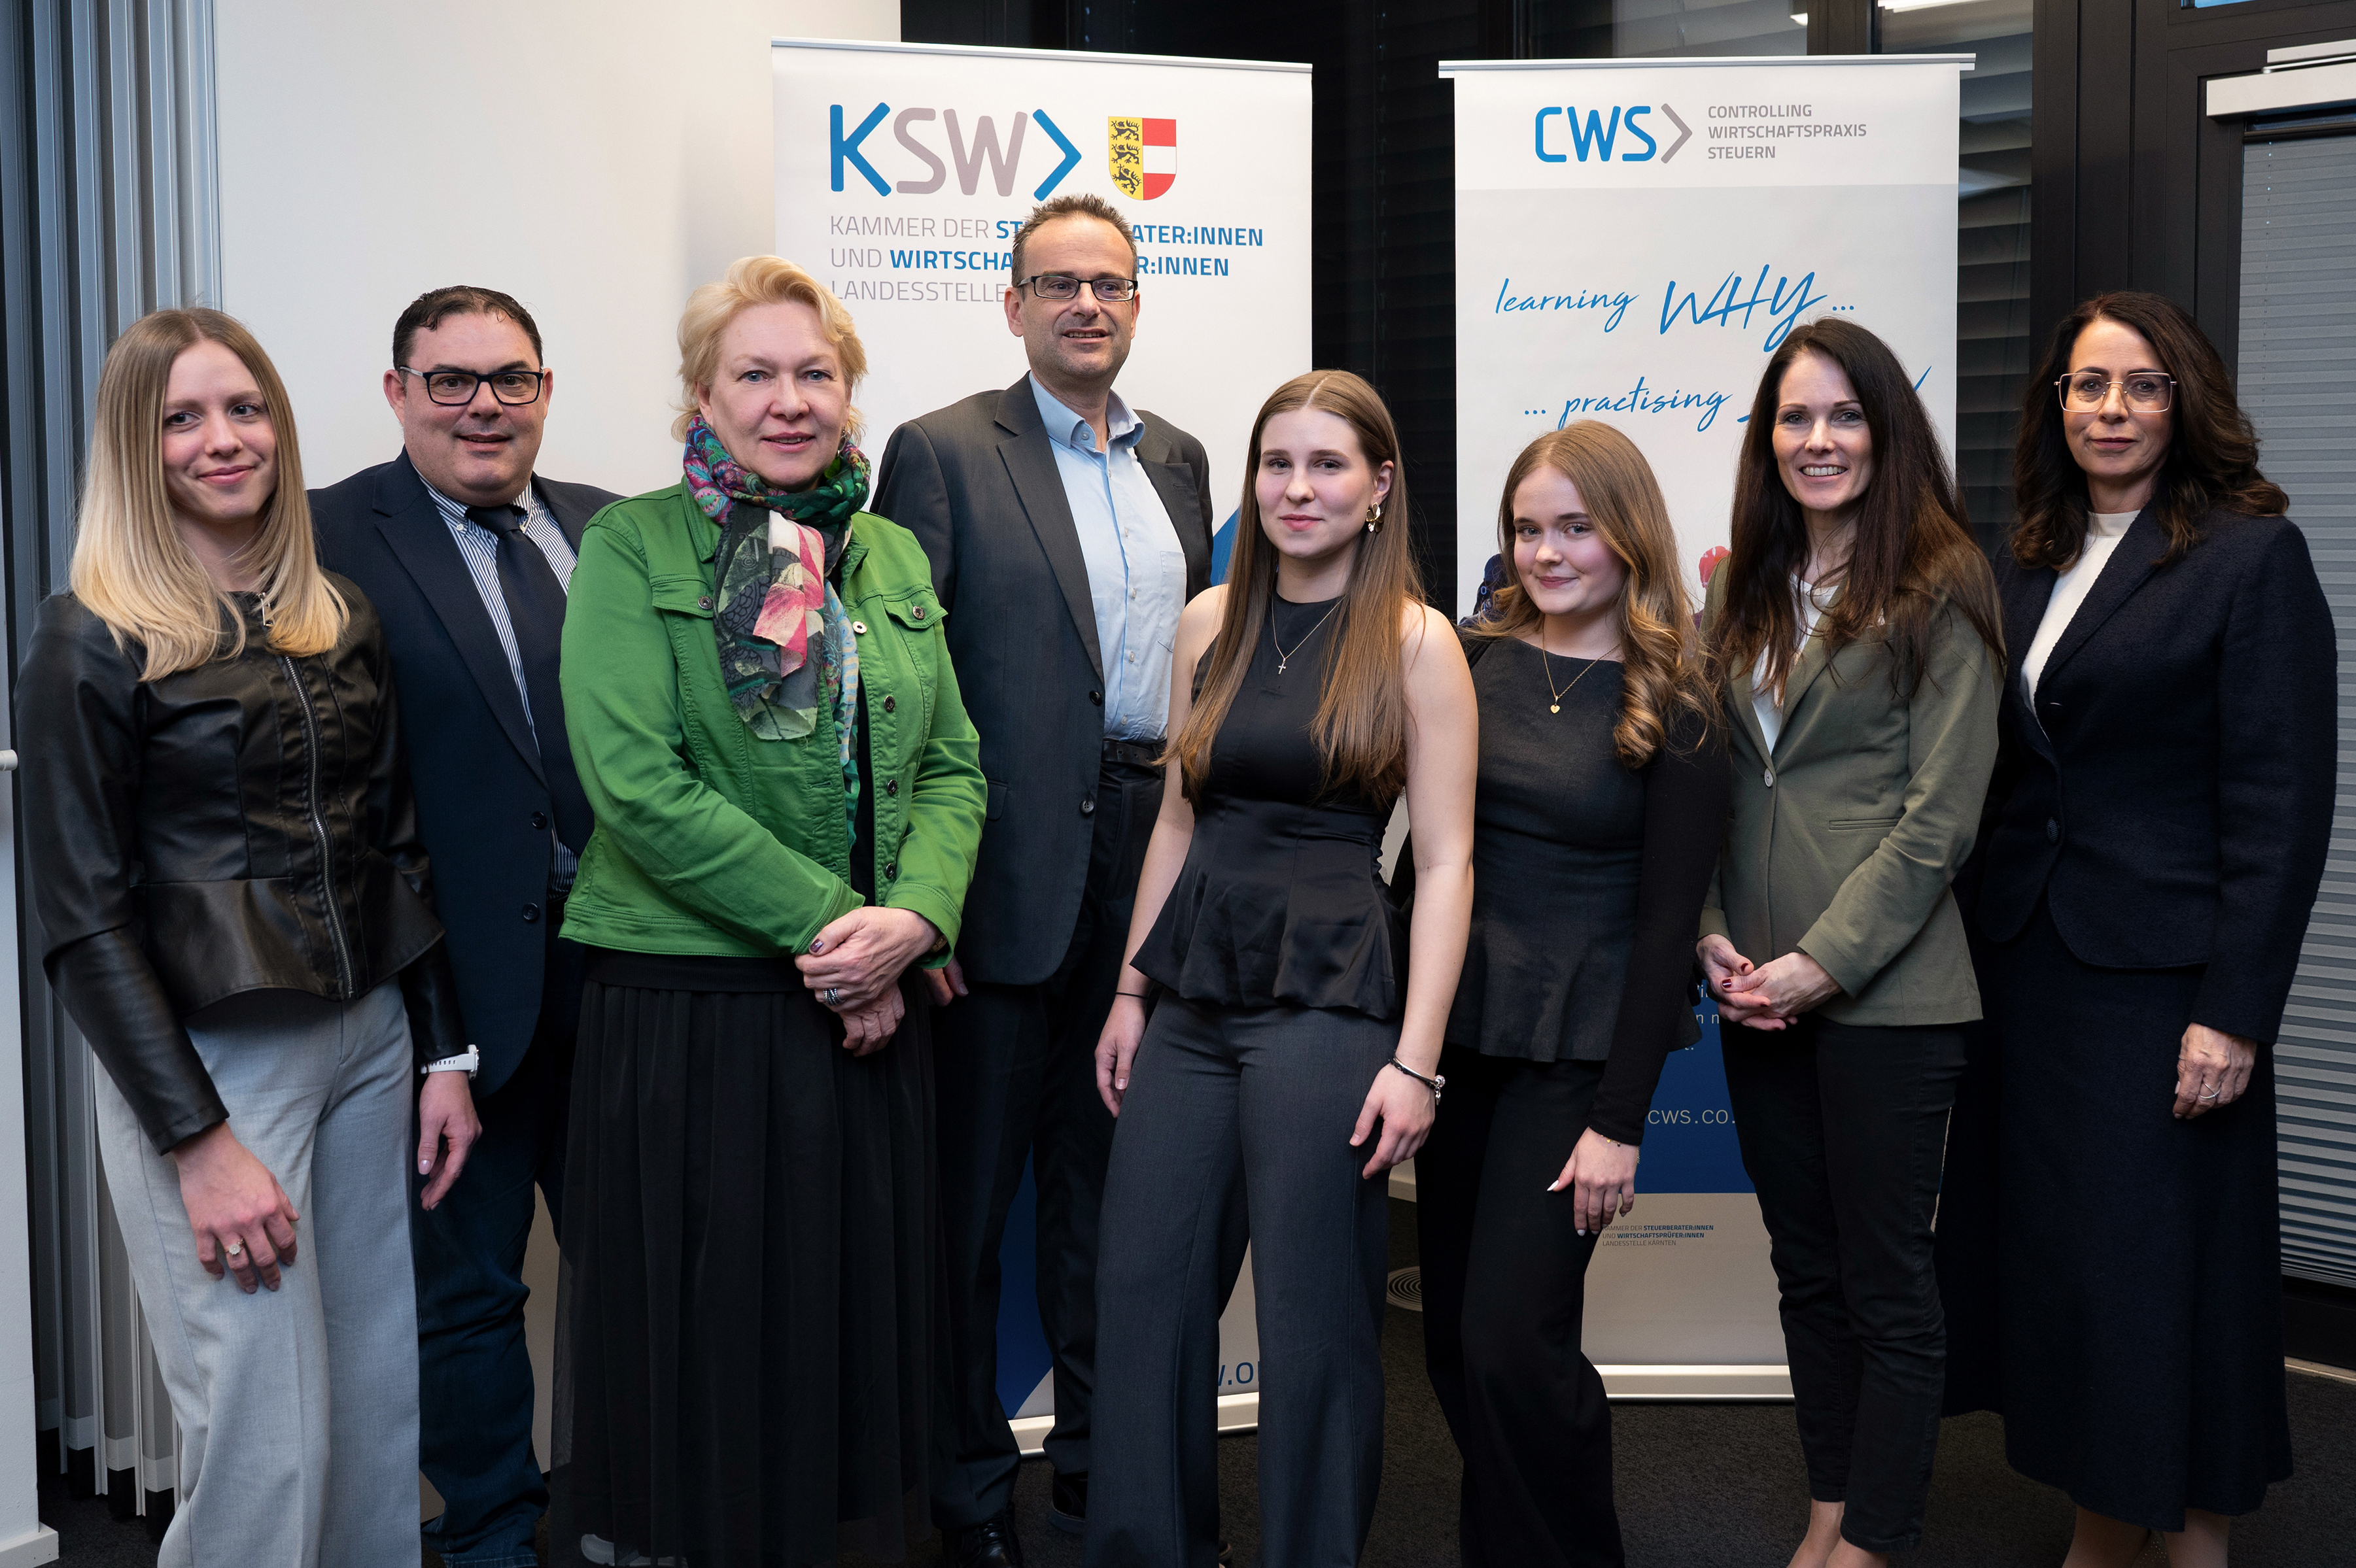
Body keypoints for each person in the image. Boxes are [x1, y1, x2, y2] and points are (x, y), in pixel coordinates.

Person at [18, 307, 478, 1561]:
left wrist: (443, 1053)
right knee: (269, 1445)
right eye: (182, 418)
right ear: (138, 444)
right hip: (215, 1069)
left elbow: (393, 843)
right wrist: (196, 1139)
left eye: (245, 408)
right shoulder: (87, 635)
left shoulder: (334, 612)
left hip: (370, 1043)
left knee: (374, 1423)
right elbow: (81, 920)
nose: (223, 439)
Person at [549, 256, 986, 1565]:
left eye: (814, 372)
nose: (787, 400)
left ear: (848, 392)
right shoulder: (634, 544)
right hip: (698, 1010)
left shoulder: (887, 549)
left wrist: (918, 919)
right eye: (754, 373)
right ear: (703, 395)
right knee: (707, 1338)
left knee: (840, 1339)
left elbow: (953, 766)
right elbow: (636, 785)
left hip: (870, 999)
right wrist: (848, 934)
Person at [871, 192, 1217, 1567]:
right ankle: (966, 1506)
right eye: (1059, 283)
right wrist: (922, 900)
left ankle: (1096, 1490)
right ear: (1011, 304)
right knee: (963, 1221)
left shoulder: (1182, 460)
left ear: (1137, 302)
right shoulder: (943, 451)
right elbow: (893, 700)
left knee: (1112, 1211)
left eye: (1110, 283)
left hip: (1150, 861)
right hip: (990, 879)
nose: (1087, 304)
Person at [1965, 290, 2332, 1567]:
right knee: (2075, 1271)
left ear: (2184, 402)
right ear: (2054, 404)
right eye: (2085, 384)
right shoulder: (2021, 556)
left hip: (2168, 988)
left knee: (2169, 1274)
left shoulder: (2248, 555)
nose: (2109, 409)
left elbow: (2280, 805)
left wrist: (2234, 1011)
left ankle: (2193, 1543)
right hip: (2035, 975)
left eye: (2139, 385)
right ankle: (2101, 1526)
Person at [1089, 369, 1478, 1567]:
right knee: (1144, 1294)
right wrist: (1130, 990)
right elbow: (1175, 820)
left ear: (1378, 486)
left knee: (1313, 1322)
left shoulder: (1415, 640)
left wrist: (1415, 1063)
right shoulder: (1208, 621)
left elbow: (1447, 861)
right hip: (1191, 994)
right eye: (1276, 463)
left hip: (1328, 1001)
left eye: (1326, 464)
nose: (1296, 488)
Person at [312, 284, 617, 1568]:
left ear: (545, 390)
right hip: (450, 989)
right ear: (399, 393)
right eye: (451, 380)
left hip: (625, 975)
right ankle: (491, 1533)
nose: (484, 405)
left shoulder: (612, 528)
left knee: (641, 1270)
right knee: (469, 1286)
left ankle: (630, 1511)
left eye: (511, 379)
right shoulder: (326, 535)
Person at [1693, 318, 2003, 1568]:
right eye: (1793, 417)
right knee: (1805, 1271)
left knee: (1885, 1282)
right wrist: (1713, 937)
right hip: (1754, 992)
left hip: (1888, 997)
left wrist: (1821, 962)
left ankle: (1875, 1539)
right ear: (1766, 439)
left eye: (1843, 416)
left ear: (1884, 431)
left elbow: (1941, 819)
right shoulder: (1738, 584)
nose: (1816, 440)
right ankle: (1827, 1508)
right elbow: (1713, 784)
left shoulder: (1942, 582)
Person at [1418, 422, 1728, 1568]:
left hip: (1576, 1057)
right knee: (1452, 1342)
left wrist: (1617, 1122)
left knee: (1513, 1341)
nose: (1545, 553)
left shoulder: (1680, 699)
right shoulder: (1468, 659)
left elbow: (1665, 929)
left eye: (1574, 528)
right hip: (1458, 1036)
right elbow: (1425, 863)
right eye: (1526, 529)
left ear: (1627, 533)